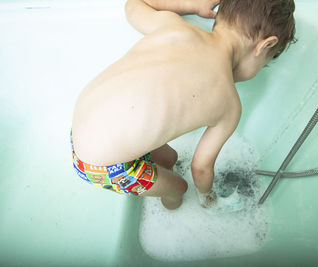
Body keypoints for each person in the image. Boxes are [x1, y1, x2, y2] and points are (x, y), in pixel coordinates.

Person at [71, 0, 296, 210]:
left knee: (170, 159)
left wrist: (191, 4)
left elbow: (134, 5)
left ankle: (158, 178)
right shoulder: (229, 104)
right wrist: (208, 198)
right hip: (100, 167)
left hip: (82, 125)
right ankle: (170, 203)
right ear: (265, 45)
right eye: (266, 61)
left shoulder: (175, 27)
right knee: (180, 188)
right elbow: (200, 169)